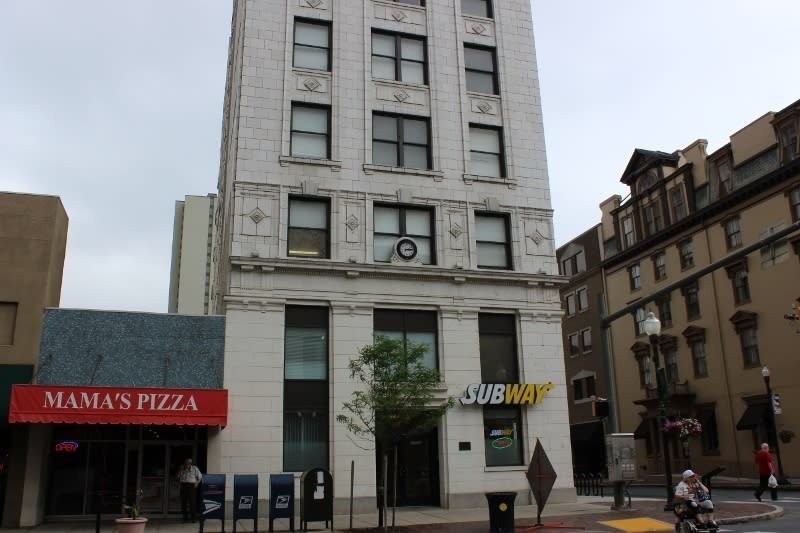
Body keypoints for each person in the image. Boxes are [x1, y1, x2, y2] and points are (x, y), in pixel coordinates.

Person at [176, 457, 203, 522]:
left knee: (192, 502)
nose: (188, 464)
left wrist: (197, 483)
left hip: (191, 486)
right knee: (183, 502)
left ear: (191, 463)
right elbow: (177, 477)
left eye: (189, 463)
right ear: (185, 463)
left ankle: (193, 518)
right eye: (186, 463)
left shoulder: (195, 468)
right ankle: (185, 518)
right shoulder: (182, 469)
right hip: (184, 485)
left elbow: (200, 477)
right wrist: (179, 470)